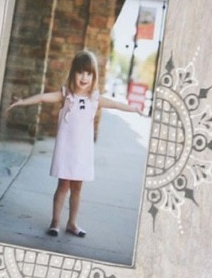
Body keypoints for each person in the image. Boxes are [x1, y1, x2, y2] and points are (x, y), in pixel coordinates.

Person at [7, 49, 136, 239]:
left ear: (93, 77)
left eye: (89, 73)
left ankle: (72, 223)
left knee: (77, 189)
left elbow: (117, 105)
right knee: (63, 187)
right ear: (73, 73)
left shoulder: (94, 99)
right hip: (67, 152)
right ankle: (55, 222)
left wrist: (135, 109)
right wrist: (22, 102)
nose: (84, 77)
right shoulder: (66, 95)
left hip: (82, 154)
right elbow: (43, 97)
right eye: (80, 72)